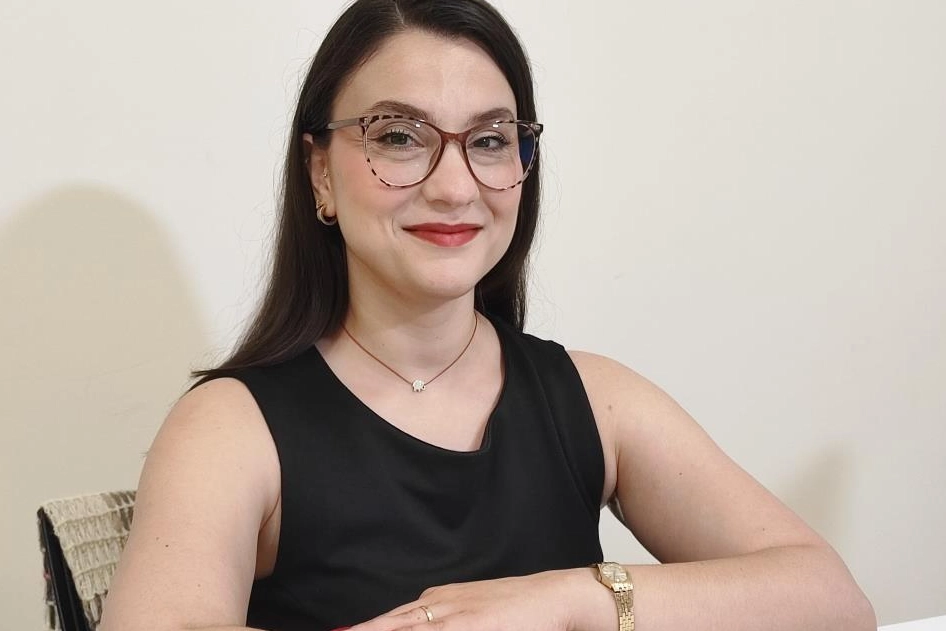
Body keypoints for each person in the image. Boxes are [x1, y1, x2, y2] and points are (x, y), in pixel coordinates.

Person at [100, 1, 875, 630]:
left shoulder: (594, 398)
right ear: (321, 173)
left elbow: (832, 601)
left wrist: (566, 599)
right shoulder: (230, 427)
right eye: (399, 137)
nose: (454, 185)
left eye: (491, 140)